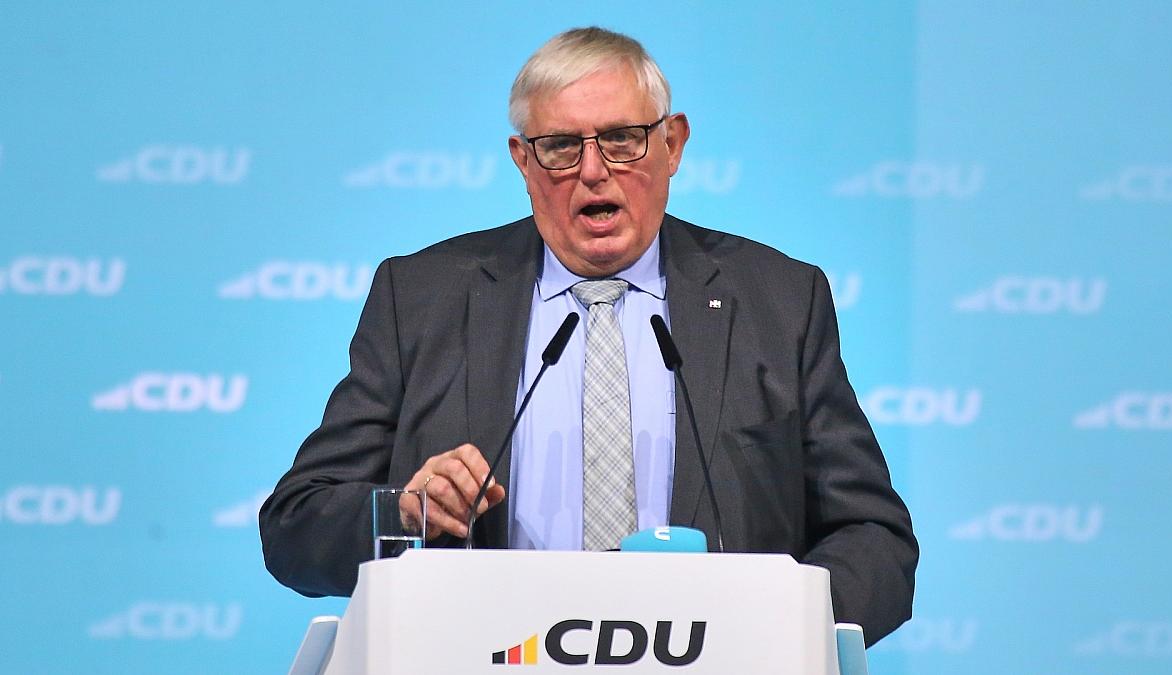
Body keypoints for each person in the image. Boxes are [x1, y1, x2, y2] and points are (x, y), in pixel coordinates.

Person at [260, 26, 917, 646]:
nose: (594, 170)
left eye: (623, 139)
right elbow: (296, 526)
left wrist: (775, 631)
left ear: (673, 145)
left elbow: (874, 539)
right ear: (523, 161)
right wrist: (403, 512)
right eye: (561, 147)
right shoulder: (422, 298)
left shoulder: (778, 301)